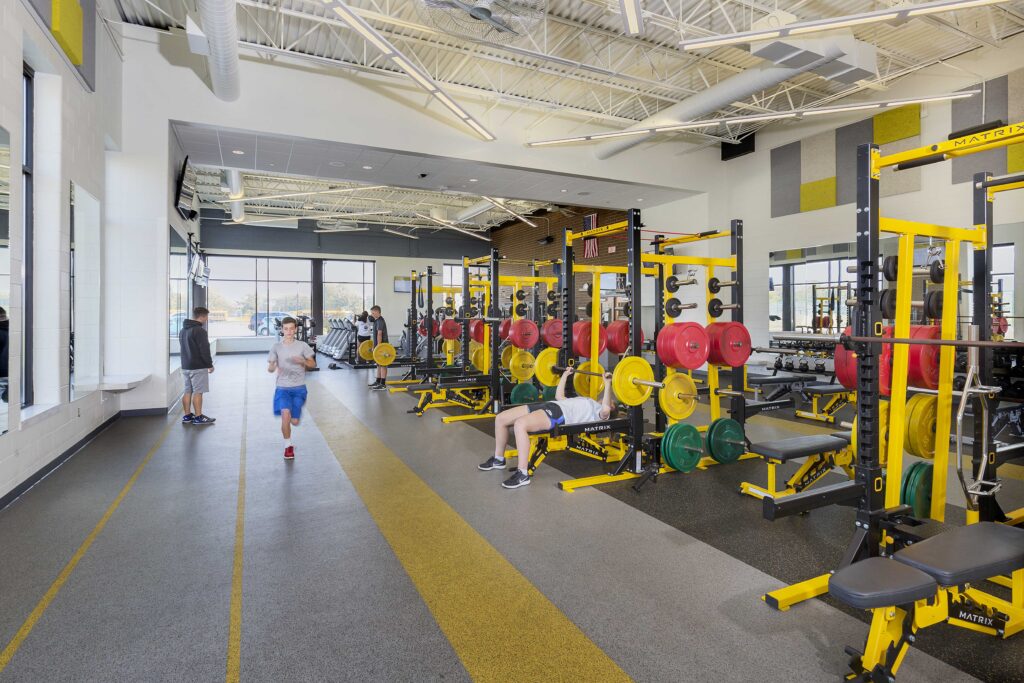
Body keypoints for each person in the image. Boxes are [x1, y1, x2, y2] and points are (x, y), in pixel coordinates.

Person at [479, 366, 616, 489]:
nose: (610, 401)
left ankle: (522, 473)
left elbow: (605, 409)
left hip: (559, 415)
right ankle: (498, 459)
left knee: (520, 424)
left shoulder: (599, 413)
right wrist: (565, 375)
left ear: (611, 408)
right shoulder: (587, 400)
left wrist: (608, 384)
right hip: (550, 405)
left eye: (611, 403)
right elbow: (559, 396)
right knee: (500, 418)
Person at [268, 316, 317, 460]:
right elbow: (270, 369)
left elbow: (312, 364)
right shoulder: (276, 347)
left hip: (299, 388)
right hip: (282, 388)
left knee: (294, 421)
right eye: (286, 329)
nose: (288, 332)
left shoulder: (303, 345)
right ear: (282, 330)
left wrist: (303, 360)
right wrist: (272, 365)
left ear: (295, 329)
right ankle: (288, 446)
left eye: (291, 329)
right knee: (285, 414)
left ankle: (293, 418)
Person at [179, 306, 216, 425]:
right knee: (198, 392)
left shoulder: (183, 330)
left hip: (185, 366)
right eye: (206, 317)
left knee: (187, 391)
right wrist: (209, 364)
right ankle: (198, 417)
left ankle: (187, 416)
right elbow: (204, 349)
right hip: (198, 366)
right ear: (202, 316)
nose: (206, 320)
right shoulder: (200, 331)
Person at [368, 305, 389, 390]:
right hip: (379, 346)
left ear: (377, 312)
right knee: (378, 364)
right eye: (371, 313)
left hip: (382, 346)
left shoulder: (380, 321)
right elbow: (375, 335)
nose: (372, 314)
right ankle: (378, 381)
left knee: (383, 365)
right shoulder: (376, 321)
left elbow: (379, 334)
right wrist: (374, 346)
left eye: (373, 313)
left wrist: (378, 347)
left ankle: (383, 384)